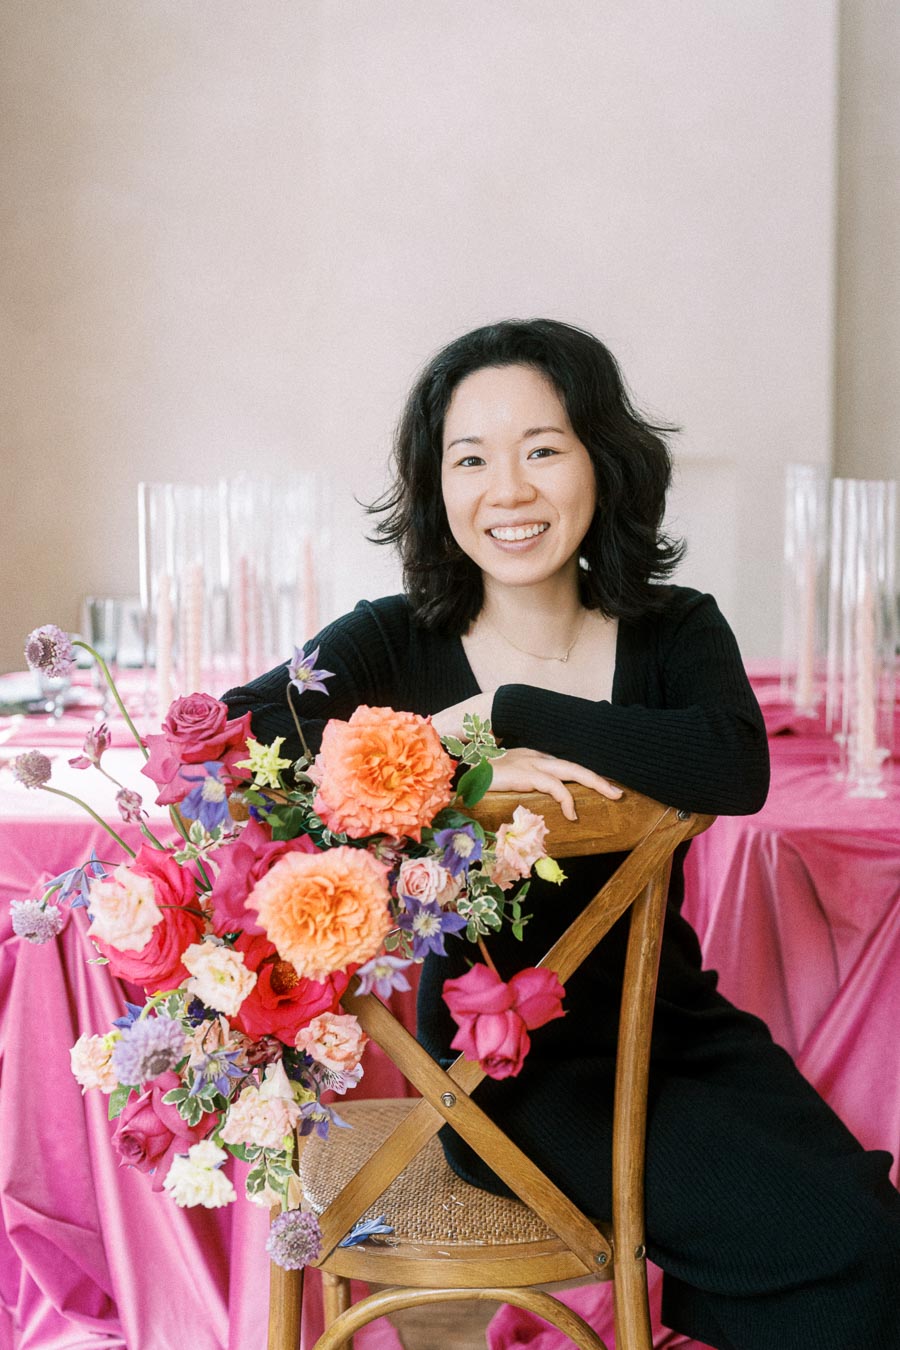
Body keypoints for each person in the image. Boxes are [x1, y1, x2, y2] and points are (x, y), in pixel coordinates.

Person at [224, 319, 900, 1349]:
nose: (509, 489)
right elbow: (229, 746)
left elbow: (735, 767)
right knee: (854, 1248)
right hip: (502, 1081)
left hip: (680, 1029)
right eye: (471, 458)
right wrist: (424, 734)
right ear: (435, 483)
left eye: (542, 448)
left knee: (867, 1227)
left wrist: (509, 710)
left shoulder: (675, 631)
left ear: (601, 461)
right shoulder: (390, 640)